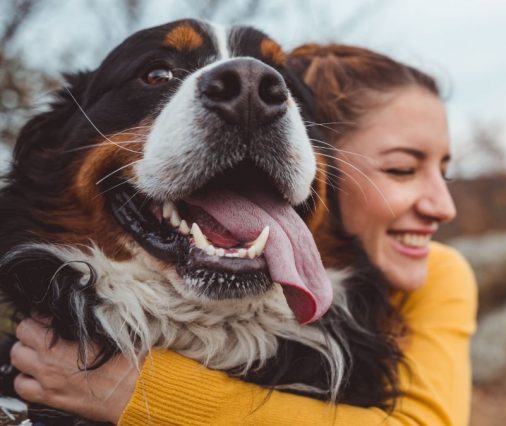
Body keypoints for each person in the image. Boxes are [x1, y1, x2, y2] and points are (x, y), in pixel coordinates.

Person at [11, 44, 478, 425]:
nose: (444, 207)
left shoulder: (440, 272)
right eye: (401, 169)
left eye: (445, 170)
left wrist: (137, 393)